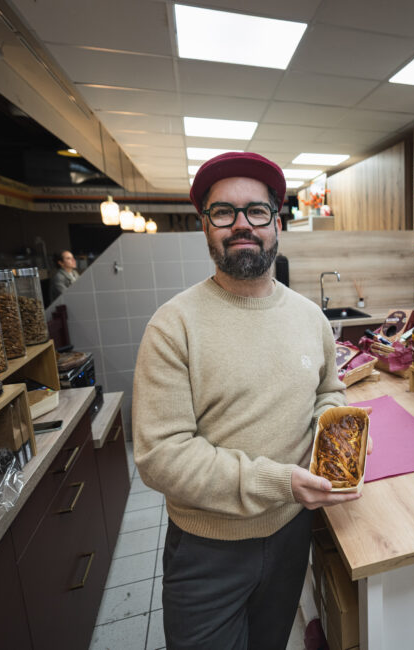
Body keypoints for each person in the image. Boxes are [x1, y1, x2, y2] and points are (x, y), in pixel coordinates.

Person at [132, 152, 369, 650]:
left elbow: (328, 390)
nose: (242, 224)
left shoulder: (309, 317)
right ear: (205, 226)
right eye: (224, 212)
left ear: (276, 223)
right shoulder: (173, 326)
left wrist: (335, 432)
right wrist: (280, 481)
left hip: (291, 534)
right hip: (207, 549)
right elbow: (161, 456)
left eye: (256, 211)